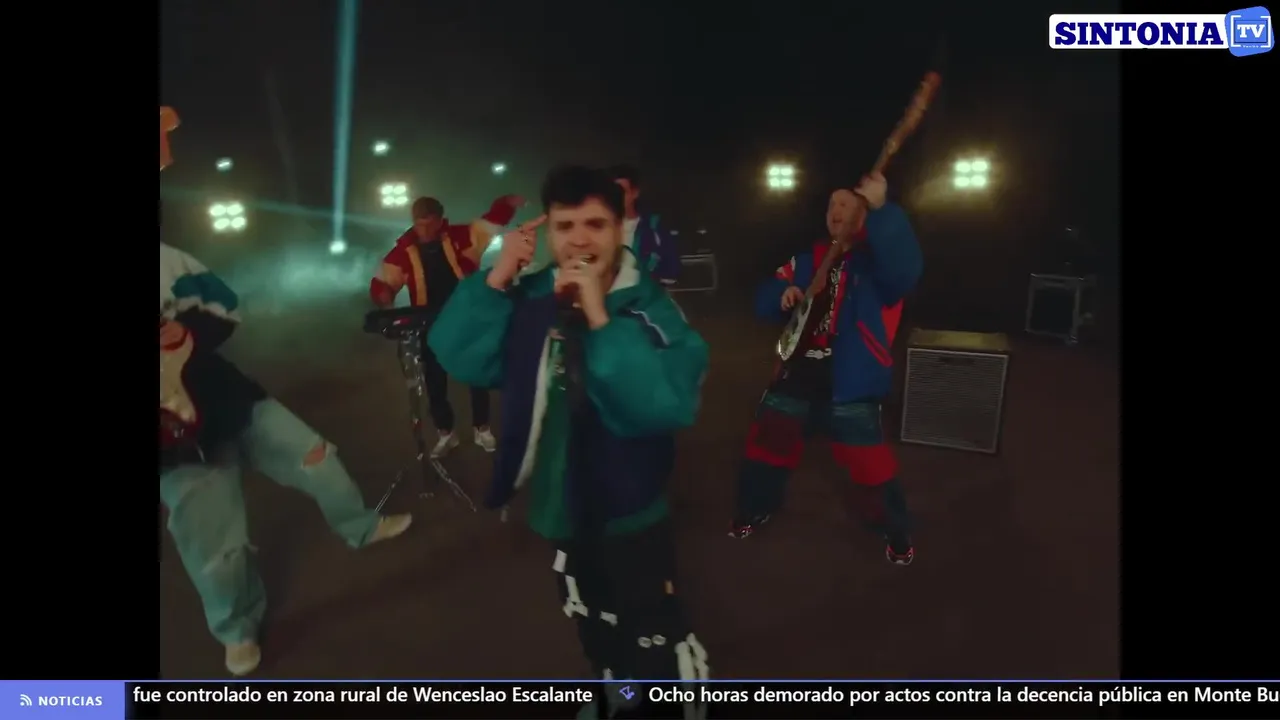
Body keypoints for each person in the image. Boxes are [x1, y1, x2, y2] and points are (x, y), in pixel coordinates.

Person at [429, 166, 711, 719]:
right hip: (562, 508)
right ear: (549, 235)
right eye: (565, 226)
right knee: (593, 622)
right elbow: (464, 358)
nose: (579, 239)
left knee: (653, 637)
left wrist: (600, 320)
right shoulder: (534, 298)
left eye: (594, 224)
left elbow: (665, 406)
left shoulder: (650, 309)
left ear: (619, 229)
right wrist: (495, 280)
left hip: (631, 515)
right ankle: (618, 697)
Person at [159, 108, 412, 677]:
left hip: (232, 401)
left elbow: (225, 307)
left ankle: (360, 527)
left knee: (317, 458)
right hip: (174, 443)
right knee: (218, 552)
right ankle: (236, 630)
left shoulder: (169, 261)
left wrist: (186, 334)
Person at [729, 173, 923, 567]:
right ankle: (754, 508)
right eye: (832, 204)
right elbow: (764, 296)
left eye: (846, 204)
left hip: (851, 380)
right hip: (797, 374)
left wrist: (883, 210)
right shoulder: (806, 261)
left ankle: (894, 528)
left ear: (863, 215)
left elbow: (906, 270)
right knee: (767, 448)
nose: (836, 211)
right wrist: (780, 295)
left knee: (870, 465)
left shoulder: (875, 264)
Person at [370, 194, 522, 457]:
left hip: (467, 314)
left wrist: (505, 205)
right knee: (434, 381)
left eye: (430, 224)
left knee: (477, 373)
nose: (424, 231)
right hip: (429, 322)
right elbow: (384, 280)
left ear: (441, 221)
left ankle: (482, 428)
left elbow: (489, 224)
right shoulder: (403, 250)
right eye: (419, 225)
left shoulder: (462, 236)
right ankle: (445, 432)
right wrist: (383, 295)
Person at [607, 165, 680, 286]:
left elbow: (672, 270)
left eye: (622, 192)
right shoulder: (597, 228)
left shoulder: (654, 227)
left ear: (635, 193)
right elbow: (585, 261)